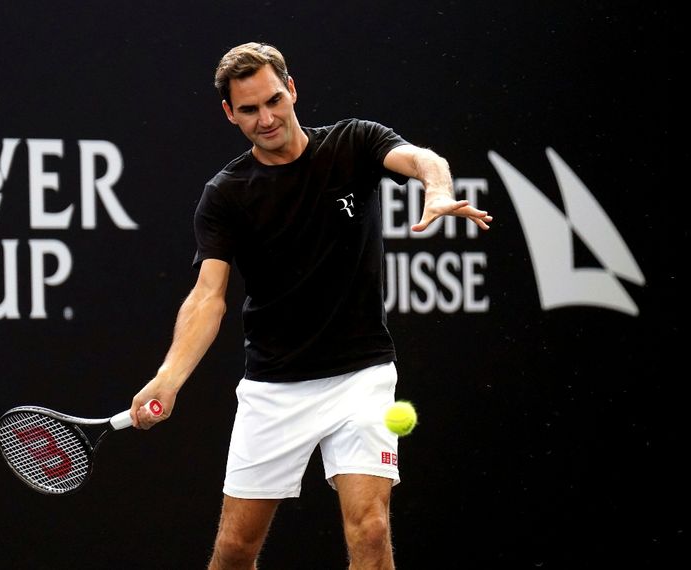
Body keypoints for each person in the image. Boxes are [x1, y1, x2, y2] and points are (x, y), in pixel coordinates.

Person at [129, 42, 492, 569]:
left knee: (370, 530)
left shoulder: (353, 143)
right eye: (249, 110)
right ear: (229, 114)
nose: (267, 117)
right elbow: (209, 297)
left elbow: (422, 159)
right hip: (274, 387)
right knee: (234, 550)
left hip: (361, 375)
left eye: (274, 100)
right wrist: (168, 377)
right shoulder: (226, 194)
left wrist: (436, 190)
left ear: (292, 89)